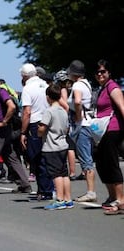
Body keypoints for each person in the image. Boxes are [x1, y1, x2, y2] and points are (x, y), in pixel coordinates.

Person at [91, 59, 124, 215]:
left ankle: (121, 200)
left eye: (103, 71)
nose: (99, 74)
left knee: (111, 163)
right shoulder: (102, 88)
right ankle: (112, 196)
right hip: (102, 132)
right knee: (101, 164)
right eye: (97, 72)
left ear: (109, 73)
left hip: (113, 129)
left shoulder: (112, 87)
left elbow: (122, 107)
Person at [19, 63, 54, 201]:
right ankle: (47, 189)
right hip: (48, 121)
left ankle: (44, 190)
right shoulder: (45, 85)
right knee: (47, 156)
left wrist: (23, 132)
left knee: (37, 158)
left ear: (24, 76)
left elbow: (27, 112)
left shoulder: (27, 88)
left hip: (35, 124)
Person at [37, 84, 74, 210]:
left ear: (48, 97)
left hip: (52, 146)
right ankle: (68, 198)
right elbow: (67, 127)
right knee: (64, 173)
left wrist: (38, 132)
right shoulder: (63, 111)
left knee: (56, 174)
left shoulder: (49, 111)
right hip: (63, 145)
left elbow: (42, 128)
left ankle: (59, 199)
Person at [66, 60, 97, 202]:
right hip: (88, 123)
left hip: (82, 124)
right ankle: (90, 190)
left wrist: (78, 118)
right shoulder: (86, 83)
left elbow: (77, 102)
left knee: (85, 158)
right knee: (86, 156)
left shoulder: (78, 85)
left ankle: (91, 192)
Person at [53, 70, 78, 180]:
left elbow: (65, 106)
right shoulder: (68, 89)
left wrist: (63, 118)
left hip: (65, 121)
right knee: (69, 145)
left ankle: (72, 172)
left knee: (69, 146)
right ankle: (71, 171)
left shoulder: (62, 90)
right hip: (69, 120)